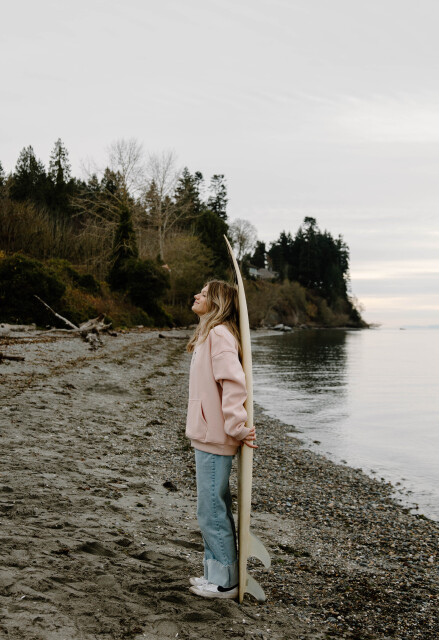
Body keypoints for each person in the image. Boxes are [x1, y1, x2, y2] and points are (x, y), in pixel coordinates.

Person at [185, 280, 257, 600]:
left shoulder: (220, 335)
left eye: (203, 293)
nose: (196, 295)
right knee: (213, 508)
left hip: (216, 436)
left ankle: (226, 582)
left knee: (211, 510)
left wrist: (237, 426)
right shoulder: (209, 333)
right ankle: (214, 575)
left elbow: (233, 383)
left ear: (216, 302)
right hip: (207, 434)